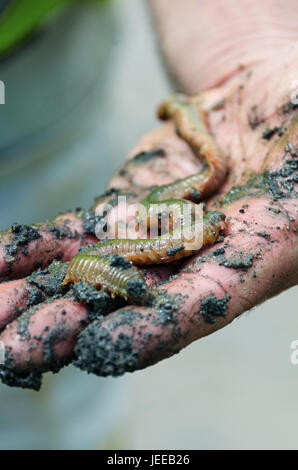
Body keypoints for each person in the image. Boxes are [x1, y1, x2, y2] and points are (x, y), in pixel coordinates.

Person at [0, 0, 297, 447]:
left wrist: (248, 46)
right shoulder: (145, 239)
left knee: (53, 420)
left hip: (32, 80)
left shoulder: (170, 220)